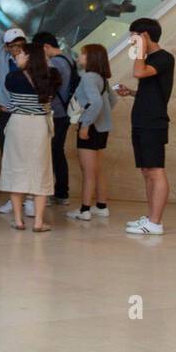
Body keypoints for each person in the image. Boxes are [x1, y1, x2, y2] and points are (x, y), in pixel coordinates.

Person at [0, 32, 59, 232]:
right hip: (40, 126)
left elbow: (9, 95)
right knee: (40, 170)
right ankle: (39, 222)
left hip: (18, 125)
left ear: (29, 57)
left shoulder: (12, 77)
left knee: (17, 170)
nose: (16, 57)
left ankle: (19, 220)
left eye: (21, 54)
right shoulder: (53, 77)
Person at [118, 17, 174, 235]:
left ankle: (155, 223)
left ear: (145, 36)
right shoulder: (151, 59)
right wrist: (131, 92)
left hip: (154, 122)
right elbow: (152, 89)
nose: (130, 42)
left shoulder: (163, 58)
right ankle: (151, 217)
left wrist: (140, 49)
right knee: (146, 171)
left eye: (134, 37)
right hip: (142, 120)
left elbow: (138, 73)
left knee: (156, 171)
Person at [66, 43, 118, 221]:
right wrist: (102, 117)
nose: (79, 57)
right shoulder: (101, 77)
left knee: (87, 171)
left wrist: (87, 123)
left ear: (91, 58)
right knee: (97, 169)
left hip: (91, 128)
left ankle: (84, 210)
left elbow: (96, 103)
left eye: (82, 54)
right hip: (102, 128)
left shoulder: (88, 77)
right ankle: (101, 206)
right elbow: (112, 99)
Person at [0, 27, 36, 217]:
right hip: (6, 113)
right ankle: (15, 199)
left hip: (27, 115)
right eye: (13, 46)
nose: (17, 49)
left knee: (28, 157)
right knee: (9, 157)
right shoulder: (4, 59)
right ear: (7, 47)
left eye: (20, 45)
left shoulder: (34, 63)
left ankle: (30, 200)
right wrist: (11, 30)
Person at [34, 31, 74, 205]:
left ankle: (51, 193)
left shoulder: (56, 63)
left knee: (51, 153)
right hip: (63, 113)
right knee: (58, 152)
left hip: (56, 113)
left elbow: (47, 87)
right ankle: (61, 192)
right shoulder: (68, 60)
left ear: (46, 47)